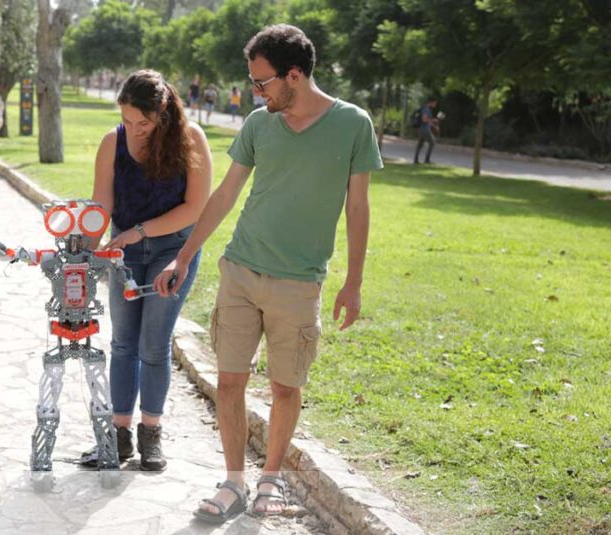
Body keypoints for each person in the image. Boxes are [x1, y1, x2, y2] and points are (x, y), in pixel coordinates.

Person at [153, 24, 382, 523]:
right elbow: (226, 195)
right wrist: (186, 254)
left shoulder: (352, 124)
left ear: (294, 75)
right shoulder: (259, 124)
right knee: (229, 380)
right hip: (240, 269)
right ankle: (234, 481)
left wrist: (354, 281)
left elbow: (358, 206)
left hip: (300, 282)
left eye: (262, 83)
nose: (256, 92)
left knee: (284, 387)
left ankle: (270, 479)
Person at [81, 69, 212, 472]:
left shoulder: (191, 140)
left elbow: (195, 208)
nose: (134, 130)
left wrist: (139, 232)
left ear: (164, 115)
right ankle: (118, 437)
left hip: (173, 250)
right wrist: (84, 258)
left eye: (144, 122)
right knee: (122, 342)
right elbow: (101, 205)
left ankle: (150, 434)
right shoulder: (112, 143)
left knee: (154, 344)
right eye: (127, 121)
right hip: (124, 252)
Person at [414, 98, 439, 164]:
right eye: (435, 103)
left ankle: (416, 160)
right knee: (432, 142)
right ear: (431, 102)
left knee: (420, 145)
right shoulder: (427, 109)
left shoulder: (424, 108)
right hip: (424, 129)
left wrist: (433, 125)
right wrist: (433, 120)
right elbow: (424, 120)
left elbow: (426, 120)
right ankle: (427, 160)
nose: (435, 105)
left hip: (421, 129)